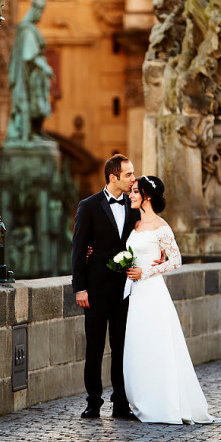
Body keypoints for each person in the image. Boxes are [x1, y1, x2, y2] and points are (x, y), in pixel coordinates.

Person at [123, 176, 221, 424]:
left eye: (135, 192)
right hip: (136, 294)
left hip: (152, 292)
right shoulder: (136, 225)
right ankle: (144, 401)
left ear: (146, 196)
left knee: (157, 346)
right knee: (139, 347)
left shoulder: (161, 226)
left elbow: (176, 260)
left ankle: (165, 405)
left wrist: (145, 272)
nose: (131, 195)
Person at [72, 154, 138, 419]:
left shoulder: (136, 206)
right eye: (129, 174)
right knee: (95, 348)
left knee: (122, 349)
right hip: (96, 290)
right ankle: (93, 402)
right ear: (113, 177)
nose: (134, 179)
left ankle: (121, 405)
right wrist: (80, 288)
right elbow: (78, 249)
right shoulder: (88, 206)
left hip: (126, 290)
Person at [6, 0, 54, 142]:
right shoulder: (27, 31)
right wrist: (45, 67)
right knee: (29, 106)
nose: (41, 16)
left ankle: (34, 134)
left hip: (31, 77)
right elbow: (29, 55)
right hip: (27, 78)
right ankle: (28, 136)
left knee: (33, 106)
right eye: (40, 12)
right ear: (35, 11)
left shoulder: (27, 29)